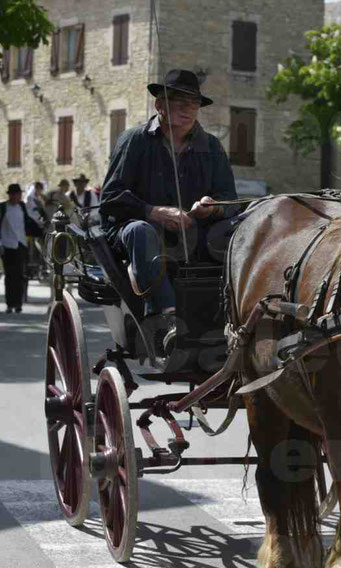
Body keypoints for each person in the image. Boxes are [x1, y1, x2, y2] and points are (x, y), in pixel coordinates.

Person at [100, 69, 239, 357]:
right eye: (179, 102)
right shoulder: (134, 141)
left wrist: (211, 207)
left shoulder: (211, 147)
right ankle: (165, 317)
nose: (188, 109)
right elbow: (111, 198)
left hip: (194, 233)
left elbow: (230, 201)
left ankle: (232, 313)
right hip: (135, 230)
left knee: (238, 229)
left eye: (194, 103)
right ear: (160, 105)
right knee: (142, 231)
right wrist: (151, 211)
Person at [0, 184, 43, 313]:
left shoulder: (22, 207)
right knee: (9, 276)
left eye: (18, 194)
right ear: (10, 195)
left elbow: (29, 221)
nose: (16, 197)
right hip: (7, 245)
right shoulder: (3, 208)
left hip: (21, 244)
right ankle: (10, 303)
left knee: (19, 275)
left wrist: (41, 226)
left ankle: (18, 304)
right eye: (13, 194)